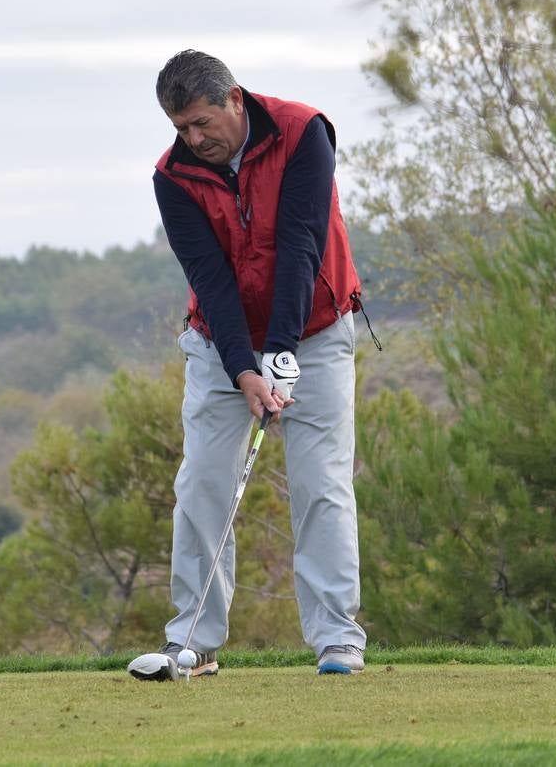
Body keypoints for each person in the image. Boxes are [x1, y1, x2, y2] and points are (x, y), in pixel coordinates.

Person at [133, 49, 367, 677]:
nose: (194, 139)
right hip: (219, 344)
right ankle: (193, 642)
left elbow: (299, 245)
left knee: (321, 486)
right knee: (204, 484)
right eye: (181, 127)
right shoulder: (172, 176)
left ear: (234, 99)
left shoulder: (303, 133)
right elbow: (209, 279)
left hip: (316, 331)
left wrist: (284, 353)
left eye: (202, 122)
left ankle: (338, 639)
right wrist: (244, 370)